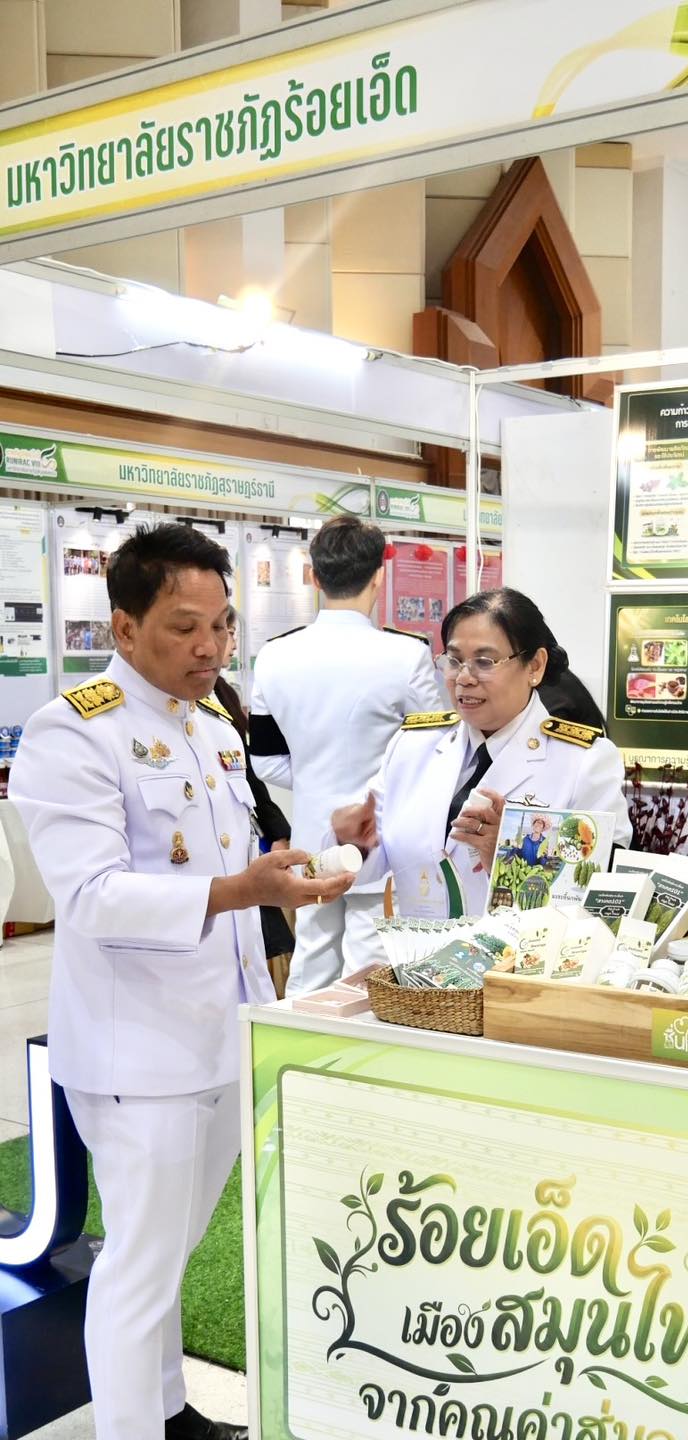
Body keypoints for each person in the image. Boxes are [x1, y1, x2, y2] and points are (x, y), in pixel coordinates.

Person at [9, 523, 355, 1440]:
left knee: (168, 1252)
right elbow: (92, 896)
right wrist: (244, 889)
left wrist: (311, 856)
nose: (210, 647)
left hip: (220, 1030)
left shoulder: (212, 727)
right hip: (137, 1050)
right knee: (138, 1268)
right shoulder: (73, 731)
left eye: (223, 625)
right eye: (184, 627)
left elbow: (236, 859)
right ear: (124, 628)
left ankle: (168, 1411)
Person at [329, 588, 632, 918]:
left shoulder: (584, 761)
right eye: (454, 660)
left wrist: (508, 859)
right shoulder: (413, 746)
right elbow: (371, 866)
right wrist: (354, 843)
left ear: (535, 665)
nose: (463, 678)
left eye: (484, 662)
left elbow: (601, 899)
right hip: (415, 947)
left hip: (517, 951)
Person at [249, 514, 440, 990]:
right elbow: (433, 750)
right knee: (371, 967)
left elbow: (265, 760)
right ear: (379, 575)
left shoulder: (274, 654)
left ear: (314, 577)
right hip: (383, 836)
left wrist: (313, 778)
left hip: (311, 835)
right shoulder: (406, 654)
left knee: (310, 963)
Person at [214, 609, 295, 992]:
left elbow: (247, 775)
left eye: (226, 630)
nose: (228, 643)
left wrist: (276, 829)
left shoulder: (223, 694)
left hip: (248, 834)